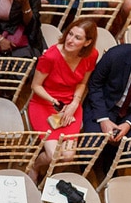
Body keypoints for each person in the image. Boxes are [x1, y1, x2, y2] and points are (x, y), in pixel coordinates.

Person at [25, 17, 98, 177]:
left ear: (87, 43)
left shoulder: (91, 55)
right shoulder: (51, 56)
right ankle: (35, 166)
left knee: (68, 157)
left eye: (77, 38)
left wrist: (75, 102)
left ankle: (52, 178)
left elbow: (83, 83)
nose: (70, 40)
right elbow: (35, 86)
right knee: (53, 154)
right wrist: (53, 101)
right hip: (45, 103)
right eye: (70, 34)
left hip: (70, 104)